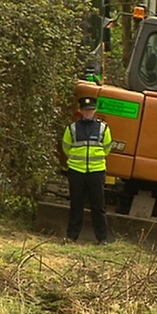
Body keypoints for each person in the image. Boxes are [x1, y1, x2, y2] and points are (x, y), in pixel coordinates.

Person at [61, 96, 112, 244]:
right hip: (76, 172)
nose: (88, 113)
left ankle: (102, 239)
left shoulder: (103, 128)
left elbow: (107, 148)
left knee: (98, 207)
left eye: (90, 110)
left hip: (96, 172)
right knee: (76, 205)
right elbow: (66, 147)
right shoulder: (72, 128)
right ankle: (71, 237)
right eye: (85, 110)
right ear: (80, 111)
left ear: (95, 111)